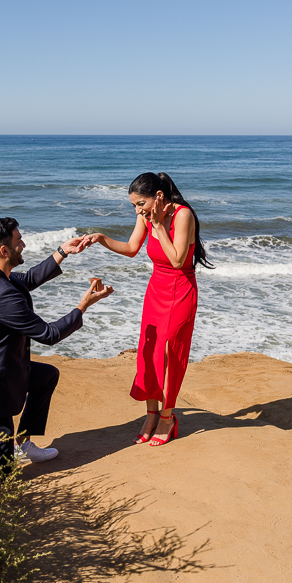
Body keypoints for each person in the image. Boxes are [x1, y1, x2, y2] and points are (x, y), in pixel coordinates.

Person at [0, 217, 114, 467]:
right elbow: (49, 335)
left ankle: (22, 444)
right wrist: (83, 305)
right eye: (19, 241)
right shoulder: (1, 296)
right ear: (4, 250)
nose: (24, 244)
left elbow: (25, 280)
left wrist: (62, 252)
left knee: (46, 376)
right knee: (1, 473)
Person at [85, 172, 212, 446]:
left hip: (180, 290)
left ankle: (168, 418)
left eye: (140, 203)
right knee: (149, 351)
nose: (137, 210)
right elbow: (132, 248)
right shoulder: (146, 215)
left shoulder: (182, 216)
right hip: (156, 290)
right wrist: (101, 238)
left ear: (158, 196)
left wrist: (158, 227)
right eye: (133, 206)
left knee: (169, 353)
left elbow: (178, 260)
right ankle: (151, 414)